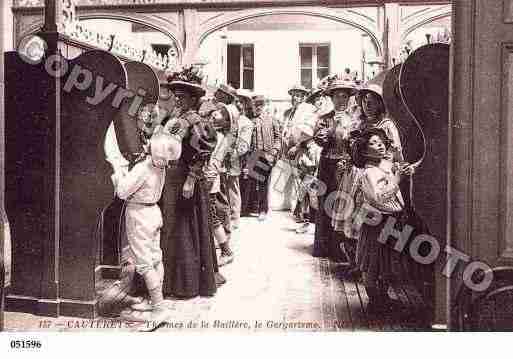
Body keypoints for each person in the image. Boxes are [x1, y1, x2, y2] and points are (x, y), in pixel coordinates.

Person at [160, 67, 222, 298]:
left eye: (183, 96)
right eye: (176, 95)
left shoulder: (196, 121)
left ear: (194, 99)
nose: (178, 99)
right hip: (171, 179)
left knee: (185, 228)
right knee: (172, 228)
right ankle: (171, 281)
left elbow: (203, 151)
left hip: (186, 180)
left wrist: (191, 179)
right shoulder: (176, 118)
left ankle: (187, 284)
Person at [111, 127, 181, 328]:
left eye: (151, 141)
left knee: (144, 263)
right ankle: (157, 302)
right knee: (155, 258)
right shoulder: (161, 167)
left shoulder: (144, 167)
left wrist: (118, 174)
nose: (147, 142)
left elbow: (123, 192)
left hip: (139, 215)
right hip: (153, 214)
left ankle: (159, 308)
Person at [348, 128, 419, 312]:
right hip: (376, 222)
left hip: (391, 219)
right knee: (372, 263)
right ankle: (374, 300)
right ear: (363, 151)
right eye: (373, 143)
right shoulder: (368, 173)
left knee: (386, 262)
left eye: (380, 141)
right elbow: (379, 197)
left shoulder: (384, 165)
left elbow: (398, 166)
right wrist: (397, 179)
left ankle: (383, 297)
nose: (379, 145)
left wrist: (403, 167)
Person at [313, 77, 361, 261]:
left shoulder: (356, 119)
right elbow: (320, 140)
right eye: (337, 97)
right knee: (326, 201)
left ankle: (340, 249)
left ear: (349, 98)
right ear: (332, 99)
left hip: (347, 166)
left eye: (344, 96)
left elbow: (357, 143)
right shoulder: (324, 119)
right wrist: (334, 127)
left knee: (343, 204)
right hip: (327, 165)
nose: (341, 100)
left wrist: (347, 129)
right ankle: (324, 246)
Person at [276, 84, 315, 214]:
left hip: (304, 150)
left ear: (304, 97)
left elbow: (309, 131)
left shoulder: (308, 109)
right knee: (297, 181)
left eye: (298, 95)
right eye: (293, 95)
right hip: (291, 152)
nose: (294, 98)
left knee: (306, 181)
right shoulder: (290, 112)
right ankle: (299, 210)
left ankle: (306, 213)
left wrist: (298, 146)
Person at [246, 95, 282, 221]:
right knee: (250, 182)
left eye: (260, 105)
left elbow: (278, 138)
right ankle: (250, 207)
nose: (257, 108)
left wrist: (274, 151)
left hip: (267, 155)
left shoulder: (272, 120)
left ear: (263, 106)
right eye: (255, 105)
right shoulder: (250, 120)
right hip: (252, 155)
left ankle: (263, 209)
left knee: (263, 183)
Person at [225, 89, 254, 227]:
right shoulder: (228, 116)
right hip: (221, 156)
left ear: (245, 105)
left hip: (233, 159)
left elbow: (244, 146)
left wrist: (232, 155)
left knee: (232, 187)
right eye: (236, 100)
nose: (238, 103)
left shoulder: (246, 123)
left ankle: (234, 217)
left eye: (241, 101)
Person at [289, 122, 321, 234]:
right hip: (305, 177)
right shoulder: (304, 148)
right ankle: (305, 221)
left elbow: (315, 164)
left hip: (312, 177)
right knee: (303, 200)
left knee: (313, 201)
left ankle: (312, 224)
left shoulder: (315, 148)